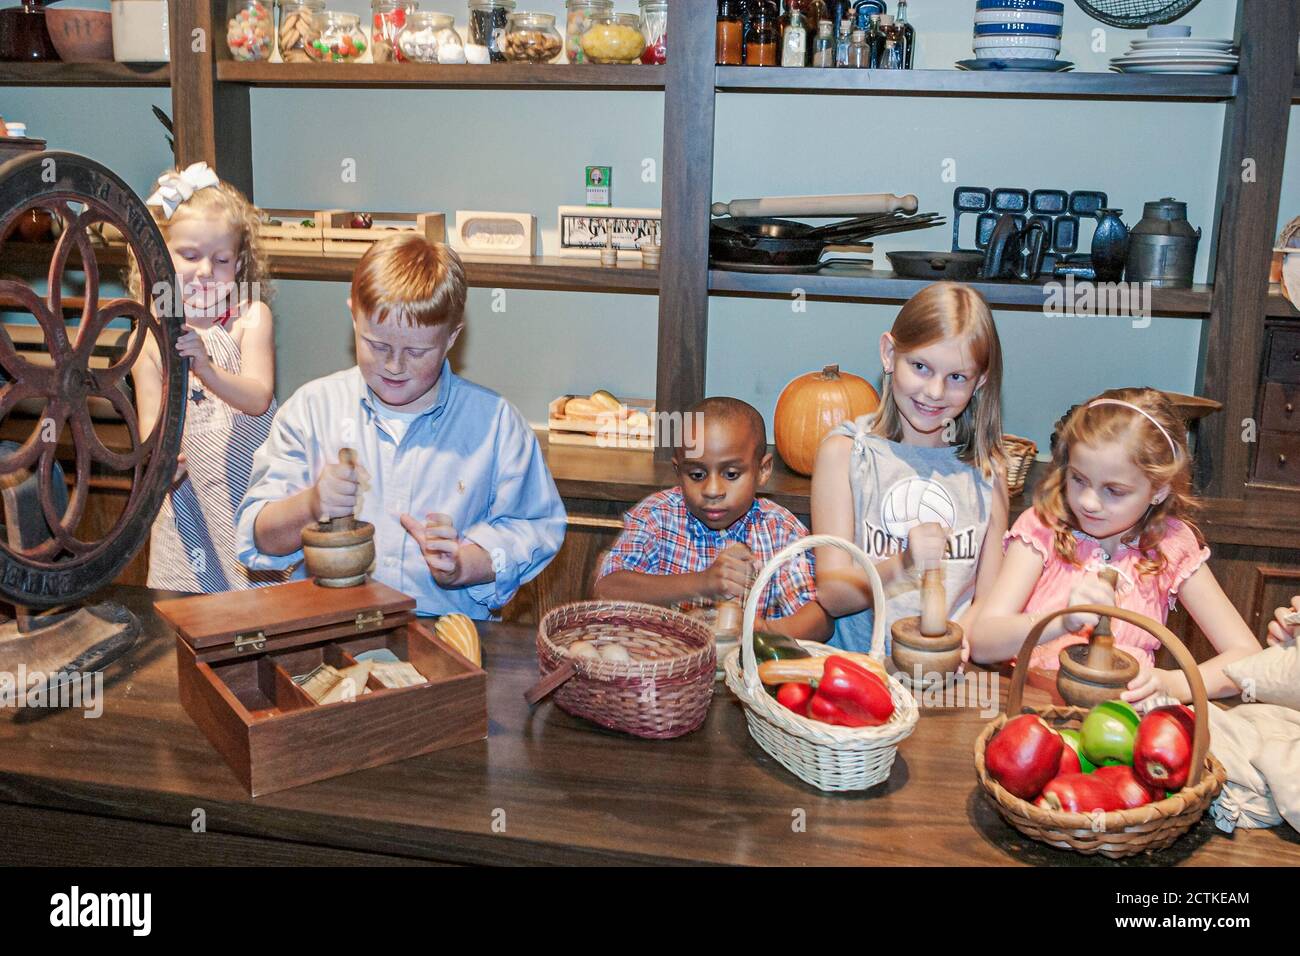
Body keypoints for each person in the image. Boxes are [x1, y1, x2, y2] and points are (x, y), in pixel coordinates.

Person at [233, 234, 565, 617]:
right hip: (328, 631)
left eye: (416, 351)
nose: (394, 366)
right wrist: (312, 504)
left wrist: (463, 563)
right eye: (376, 345)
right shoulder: (310, 410)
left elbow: (534, 528)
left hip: (447, 634)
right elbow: (260, 537)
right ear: (353, 316)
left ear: (451, 337)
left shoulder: (496, 426)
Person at [970, 387, 1260, 703]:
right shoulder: (1042, 528)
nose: (1089, 502)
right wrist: (1060, 620)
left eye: (1115, 491)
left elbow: (1248, 660)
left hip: (1125, 725)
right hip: (1034, 715)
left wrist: (1173, 683)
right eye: (1078, 479)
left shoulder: (1171, 545)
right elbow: (983, 641)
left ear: (1158, 490)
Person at [812, 282, 1009, 657]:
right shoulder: (847, 455)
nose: (934, 391)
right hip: (857, 677)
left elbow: (989, 599)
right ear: (889, 354)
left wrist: (955, 644)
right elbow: (833, 596)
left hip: (949, 680)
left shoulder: (986, 473)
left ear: (979, 381)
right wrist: (903, 563)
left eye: (957, 377)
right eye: (920, 367)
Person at [130, 162, 287, 592]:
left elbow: (257, 397)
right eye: (190, 256)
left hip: (248, 493)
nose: (204, 271)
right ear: (160, 258)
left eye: (220, 260)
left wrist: (208, 369)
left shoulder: (251, 318)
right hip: (188, 505)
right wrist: (161, 461)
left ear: (238, 265)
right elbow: (151, 426)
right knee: (187, 614)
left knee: (259, 610)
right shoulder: (150, 336)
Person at [594, 397, 830, 641]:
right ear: (678, 471)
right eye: (697, 474)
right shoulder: (658, 516)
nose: (713, 490)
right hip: (662, 668)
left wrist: (755, 630)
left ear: (762, 471)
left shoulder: (779, 530)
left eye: (731, 474)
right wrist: (701, 582)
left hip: (746, 674)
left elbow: (819, 620)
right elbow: (607, 589)